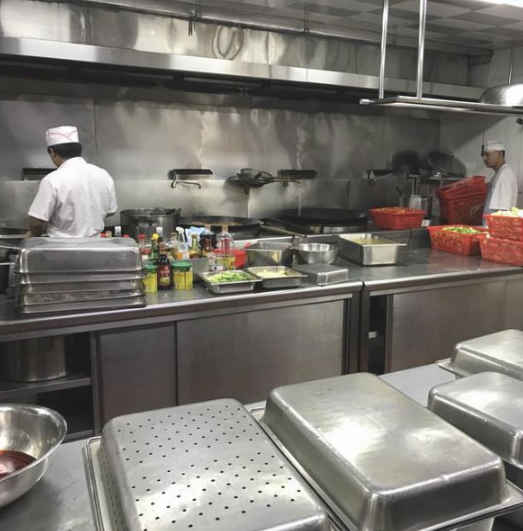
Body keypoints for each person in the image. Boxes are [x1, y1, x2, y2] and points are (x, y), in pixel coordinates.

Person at [27, 126, 117, 237]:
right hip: (96, 244)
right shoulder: (103, 175)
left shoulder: (52, 180)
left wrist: (32, 235)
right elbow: (111, 211)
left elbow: (37, 224)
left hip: (61, 246)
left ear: (52, 152)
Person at [481, 140, 518, 219]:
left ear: (499, 154)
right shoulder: (500, 172)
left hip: (494, 225)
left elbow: (503, 211)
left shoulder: (504, 176)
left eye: (487, 155)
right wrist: (481, 206)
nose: (484, 158)